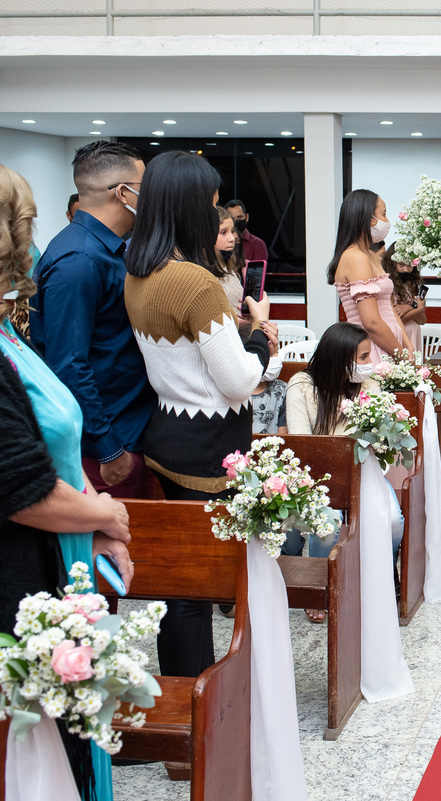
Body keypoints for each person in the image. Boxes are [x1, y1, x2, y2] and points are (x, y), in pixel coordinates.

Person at [1, 161, 133, 801]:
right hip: (19, 577)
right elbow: (17, 487)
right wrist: (103, 513)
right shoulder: (78, 263)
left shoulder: (6, 327)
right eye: (24, 229)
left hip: (55, 547)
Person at [124, 151, 277, 679]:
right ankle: (203, 710)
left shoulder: (139, 269)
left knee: (179, 586)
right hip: (209, 446)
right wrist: (259, 334)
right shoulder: (195, 281)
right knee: (200, 586)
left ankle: (188, 700)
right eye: (213, 207)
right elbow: (238, 380)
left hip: (166, 434)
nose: (222, 220)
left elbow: (186, 359)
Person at [30, 140, 159, 500]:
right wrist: (107, 447)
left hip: (129, 430)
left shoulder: (108, 248)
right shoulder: (79, 260)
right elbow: (68, 364)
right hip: (106, 445)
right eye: (144, 187)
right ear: (123, 193)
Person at [286, 322, 398, 621]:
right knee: (328, 524)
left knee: (394, 520)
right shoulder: (302, 386)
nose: (368, 364)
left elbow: (380, 443)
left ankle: (386, 579)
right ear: (340, 358)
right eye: (362, 358)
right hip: (315, 474)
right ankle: (321, 587)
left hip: (362, 470)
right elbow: (301, 445)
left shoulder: (369, 386)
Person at [328, 189, 416, 363]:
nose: (387, 221)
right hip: (373, 348)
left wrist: (408, 345)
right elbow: (371, 323)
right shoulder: (355, 257)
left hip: (390, 346)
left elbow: (389, 307)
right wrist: (401, 354)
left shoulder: (368, 254)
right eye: (383, 214)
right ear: (368, 219)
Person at [383, 241, 427, 357]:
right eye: (401, 265)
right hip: (399, 334)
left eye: (409, 265)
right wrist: (415, 309)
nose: (406, 270)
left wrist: (407, 308)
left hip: (414, 332)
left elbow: (422, 320)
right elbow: (396, 319)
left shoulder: (412, 286)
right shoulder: (388, 286)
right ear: (392, 265)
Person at [214, 204, 247, 318]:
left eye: (232, 231)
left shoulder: (229, 268)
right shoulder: (203, 274)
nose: (232, 238)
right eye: (223, 232)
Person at [224, 198, 268, 264]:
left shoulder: (258, 244)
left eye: (239, 217)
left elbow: (256, 273)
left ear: (246, 217)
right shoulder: (221, 242)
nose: (236, 221)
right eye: (232, 218)